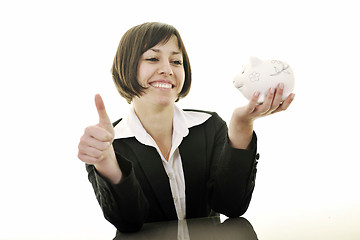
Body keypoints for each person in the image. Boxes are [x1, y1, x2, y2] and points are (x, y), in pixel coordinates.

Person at [77, 22, 295, 233]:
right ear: (126, 67)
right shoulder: (105, 144)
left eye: (176, 61)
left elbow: (231, 206)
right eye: (153, 58)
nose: (167, 69)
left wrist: (241, 126)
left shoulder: (209, 126)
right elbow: (130, 223)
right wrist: (107, 163)